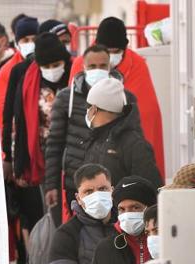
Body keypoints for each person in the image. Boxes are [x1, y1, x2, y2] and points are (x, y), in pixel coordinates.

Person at [44, 45, 143, 217]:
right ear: (83, 67)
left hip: (115, 183)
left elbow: (137, 143)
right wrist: (51, 185)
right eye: (92, 67)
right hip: (78, 184)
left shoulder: (126, 99)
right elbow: (54, 145)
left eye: (102, 66)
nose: (97, 71)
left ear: (110, 67)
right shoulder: (66, 99)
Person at [69, 17, 165, 179]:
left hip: (124, 148)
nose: (111, 56)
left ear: (125, 48)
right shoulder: (80, 65)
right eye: (108, 50)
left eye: (116, 52)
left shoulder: (137, 65)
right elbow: (72, 114)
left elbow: (148, 113)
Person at [2, 32, 72, 246]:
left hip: (73, 155)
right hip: (39, 158)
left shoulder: (73, 77)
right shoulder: (25, 79)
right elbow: (13, 121)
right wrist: (12, 159)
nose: (52, 70)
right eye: (47, 66)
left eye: (56, 64)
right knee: (45, 212)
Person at [83, 78, 162, 189]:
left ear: (94, 109)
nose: (87, 111)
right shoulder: (95, 139)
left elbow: (151, 189)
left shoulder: (134, 145)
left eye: (88, 106)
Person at [0, 16, 39, 129]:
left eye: (34, 40)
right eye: (25, 40)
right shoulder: (7, 71)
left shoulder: (46, 64)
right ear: (17, 43)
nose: (31, 44)